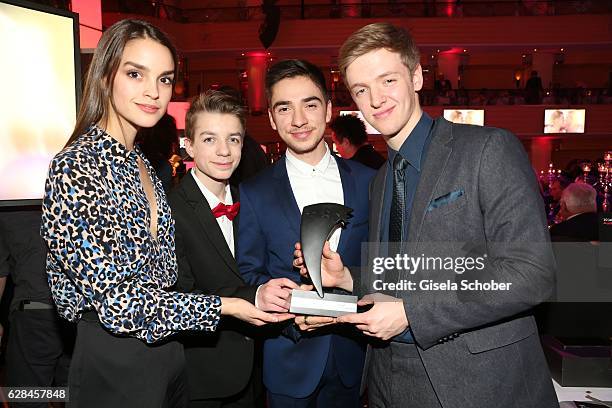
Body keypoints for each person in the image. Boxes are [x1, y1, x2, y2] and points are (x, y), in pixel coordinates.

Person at [296, 22, 557, 407]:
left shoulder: (487, 149)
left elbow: (530, 274)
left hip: (479, 386)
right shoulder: (381, 180)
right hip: (389, 381)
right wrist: (348, 276)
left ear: (416, 76)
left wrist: (412, 313)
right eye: (361, 90)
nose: (375, 99)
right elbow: (405, 272)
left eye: (387, 80)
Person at [40, 19, 288, 407]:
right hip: (114, 359)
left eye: (165, 79)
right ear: (105, 76)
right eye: (136, 73)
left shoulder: (145, 168)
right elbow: (121, 304)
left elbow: (166, 278)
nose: (153, 92)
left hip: (169, 357)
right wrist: (229, 305)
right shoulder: (76, 166)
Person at [237, 59, 375, 407]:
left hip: (353, 356)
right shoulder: (254, 191)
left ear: (328, 109)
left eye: (310, 105)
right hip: (288, 358)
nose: (298, 120)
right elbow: (248, 272)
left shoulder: (369, 182)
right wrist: (277, 302)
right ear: (271, 117)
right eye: (285, 108)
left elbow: (386, 266)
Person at [168, 90, 296, 407]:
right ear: (189, 146)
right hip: (203, 377)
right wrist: (248, 299)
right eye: (210, 139)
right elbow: (174, 300)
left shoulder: (252, 200)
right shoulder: (170, 210)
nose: (224, 151)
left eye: (234, 139)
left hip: (257, 373)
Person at [0, 209, 73, 408]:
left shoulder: (9, 202)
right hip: (80, 315)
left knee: (25, 397)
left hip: (34, 313)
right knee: (74, 393)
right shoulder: (80, 189)